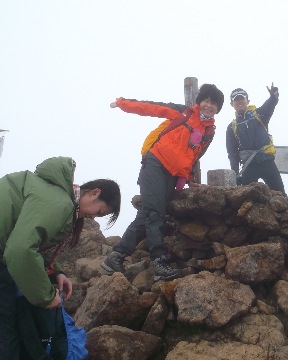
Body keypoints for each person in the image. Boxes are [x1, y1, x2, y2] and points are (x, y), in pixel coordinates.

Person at [0, 156, 121, 359]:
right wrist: (45, 297)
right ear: (94, 193)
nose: (93, 217)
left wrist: (56, 271)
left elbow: (33, 243)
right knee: (7, 330)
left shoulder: (55, 195)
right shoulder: (59, 202)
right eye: (99, 212)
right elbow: (20, 250)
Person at [102, 84, 224, 281]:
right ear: (199, 102)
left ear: (218, 108)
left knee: (149, 212)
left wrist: (191, 180)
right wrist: (123, 104)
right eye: (206, 100)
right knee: (155, 212)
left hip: (173, 174)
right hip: (155, 163)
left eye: (214, 103)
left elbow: (193, 157)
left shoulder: (209, 133)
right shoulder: (183, 113)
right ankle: (160, 260)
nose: (209, 105)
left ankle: (116, 256)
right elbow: (151, 108)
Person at [226, 84, 285, 195]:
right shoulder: (231, 127)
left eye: (242, 98)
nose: (239, 101)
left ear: (248, 101)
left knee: (281, 196)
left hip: (267, 162)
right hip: (249, 166)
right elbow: (232, 153)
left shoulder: (260, 115)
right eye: (236, 100)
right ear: (231, 104)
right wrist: (236, 174)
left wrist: (273, 97)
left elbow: (270, 105)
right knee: (246, 199)